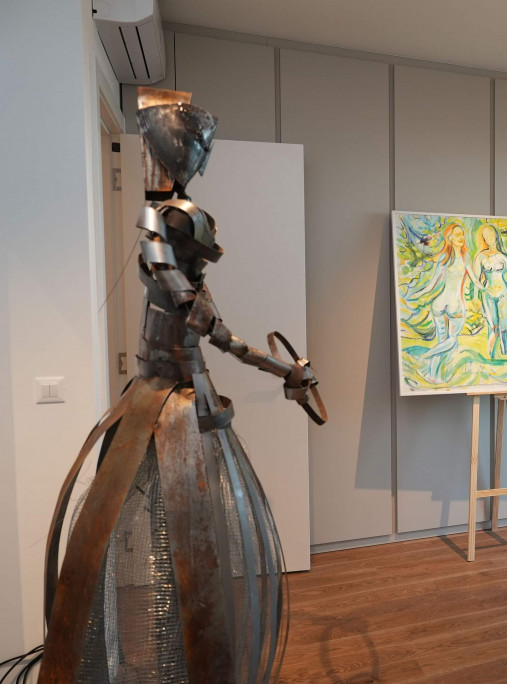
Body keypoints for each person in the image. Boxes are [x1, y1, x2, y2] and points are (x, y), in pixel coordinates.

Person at [39, 88, 325, 683]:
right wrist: (277, 367)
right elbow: (178, 287)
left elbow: (221, 332)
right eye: (193, 254)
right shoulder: (166, 240)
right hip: (160, 395)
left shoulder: (181, 251)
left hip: (183, 393)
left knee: (194, 539)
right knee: (154, 530)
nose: (198, 263)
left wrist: (285, 372)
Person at [407, 221, 480, 379]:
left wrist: (417, 294)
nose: (461, 237)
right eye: (457, 234)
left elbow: (432, 285)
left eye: (462, 234)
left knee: (443, 342)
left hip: (440, 303)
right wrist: (418, 293)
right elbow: (474, 279)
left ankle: (434, 375)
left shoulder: (449, 257)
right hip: (455, 305)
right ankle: (426, 358)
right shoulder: (459, 257)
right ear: (450, 238)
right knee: (450, 341)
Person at [473, 224, 507, 357]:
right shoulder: (480, 257)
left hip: (503, 294)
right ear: (483, 238)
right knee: (493, 327)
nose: (489, 238)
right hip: (488, 294)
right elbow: (476, 279)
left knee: (504, 327)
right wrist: (475, 297)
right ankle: (490, 355)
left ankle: (505, 352)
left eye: (491, 234)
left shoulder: (503, 257)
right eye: (486, 236)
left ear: (496, 235)